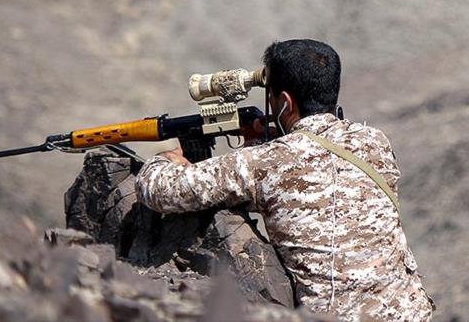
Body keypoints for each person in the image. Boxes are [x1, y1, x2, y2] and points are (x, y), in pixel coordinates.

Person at [136, 39, 434, 321]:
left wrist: (169, 158)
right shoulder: (374, 142)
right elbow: (316, 170)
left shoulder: (263, 163)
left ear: (285, 103)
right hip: (411, 313)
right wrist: (265, 142)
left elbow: (159, 189)